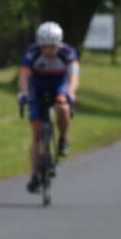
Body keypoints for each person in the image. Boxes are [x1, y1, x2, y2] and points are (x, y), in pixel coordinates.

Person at [17, 21, 80, 193]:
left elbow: (74, 76)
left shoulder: (68, 53)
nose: (49, 51)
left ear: (59, 43)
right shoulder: (32, 53)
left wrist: (71, 93)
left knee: (63, 107)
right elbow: (23, 74)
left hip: (59, 84)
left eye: (52, 47)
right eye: (45, 47)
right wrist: (22, 93)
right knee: (37, 133)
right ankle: (35, 175)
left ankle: (63, 138)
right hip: (37, 85)